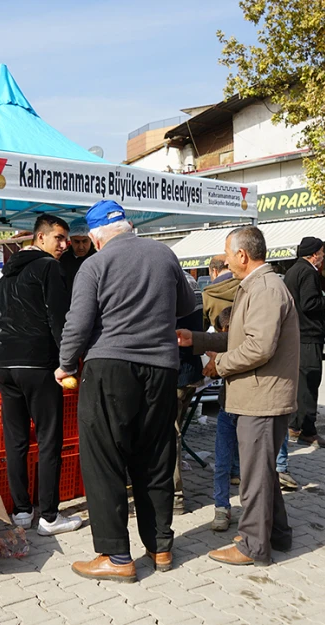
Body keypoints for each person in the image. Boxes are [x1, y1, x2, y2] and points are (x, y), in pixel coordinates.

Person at [56, 200, 196, 583]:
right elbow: (186, 303)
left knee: (104, 459)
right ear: (129, 226)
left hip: (110, 367)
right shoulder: (164, 254)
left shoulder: (95, 265)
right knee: (155, 454)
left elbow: (79, 321)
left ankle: (116, 555)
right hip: (162, 368)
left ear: (98, 237)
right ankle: (161, 546)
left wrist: (66, 364)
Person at [178, 226, 299, 566]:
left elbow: (258, 348)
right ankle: (277, 533)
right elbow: (240, 339)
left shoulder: (264, 288)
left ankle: (253, 545)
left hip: (262, 396)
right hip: (258, 394)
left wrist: (221, 366)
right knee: (262, 472)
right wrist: (198, 340)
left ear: (242, 256)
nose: (227, 260)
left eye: (228, 254)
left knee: (254, 476)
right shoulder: (258, 286)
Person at [0, 214, 83, 536]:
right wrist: (68, 363)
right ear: (40, 238)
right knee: (50, 441)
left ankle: (22, 511)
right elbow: (59, 320)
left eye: (67, 239)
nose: (65, 246)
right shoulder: (48, 268)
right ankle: (50, 517)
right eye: (59, 238)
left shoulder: (2, 280)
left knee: (17, 442)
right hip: (40, 367)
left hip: (7, 369)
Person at [282, 237, 325, 449]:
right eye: (322, 253)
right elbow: (310, 304)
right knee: (309, 383)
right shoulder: (307, 272)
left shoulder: (292, 271)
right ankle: (306, 430)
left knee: (300, 383)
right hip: (308, 335)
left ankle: (295, 425)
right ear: (314, 254)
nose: (323, 257)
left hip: (297, 334)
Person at [173, 272, 205, 515]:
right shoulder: (193, 285)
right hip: (191, 372)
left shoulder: (171, 286)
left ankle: (175, 497)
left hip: (174, 372)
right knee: (176, 429)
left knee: (168, 434)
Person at [209, 306, 240, 532]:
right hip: (226, 409)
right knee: (222, 462)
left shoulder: (248, 345)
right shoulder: (221, 347)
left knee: (250, 464)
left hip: (248, 410)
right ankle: (221, 506)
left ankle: (250, 510)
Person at [59, 217, 96, 301]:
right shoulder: (63, 259)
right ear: (70, 240)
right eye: (77, 241)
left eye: (85, 241)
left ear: (91, 239)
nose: (81, 246)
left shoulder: (97, 259)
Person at [202, 255, 238, 332]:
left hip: (220, 340)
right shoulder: (247, 284)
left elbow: (202, 326)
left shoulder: (207, 295)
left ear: (214, 271)